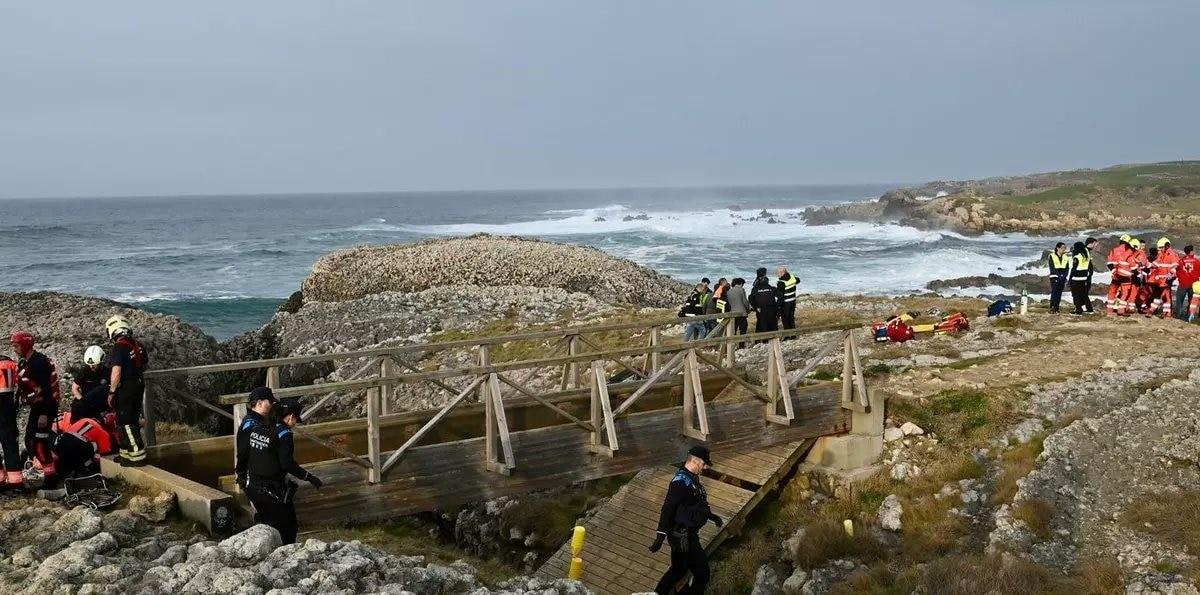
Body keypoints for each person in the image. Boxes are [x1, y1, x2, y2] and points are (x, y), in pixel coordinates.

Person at [239, 395, 322, 545]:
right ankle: (284, 554)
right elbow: (287, 464)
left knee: (265, 524)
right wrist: (309, 477)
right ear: (291, 417)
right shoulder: (285, 434)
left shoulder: (259, 427)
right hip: (272, 492)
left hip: (253, 487)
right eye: (295, 420)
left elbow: (249, 454)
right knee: (288, 528)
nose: (295, 424)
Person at [650, 446, 722, 594]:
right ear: (694, 460)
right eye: (704, 463)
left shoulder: (691, 477)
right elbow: (668, 508)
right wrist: (660, 536)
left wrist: (712, 516)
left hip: (688, 534)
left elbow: (697, 502)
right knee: (699, 572)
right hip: (681, 536)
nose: (706, 467)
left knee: (682, 570)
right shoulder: (680, 483)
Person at [11, 331, 62, 492]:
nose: (14, 349)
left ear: (25, 345)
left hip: (45, 408)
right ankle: (49, 468)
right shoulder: (27, 361)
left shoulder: (38, 363)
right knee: (30, 440)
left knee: (39, 443)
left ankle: (51, 478)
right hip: (38, 407)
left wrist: (44, 414)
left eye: (17, 346)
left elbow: (47, 390)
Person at [38, 414, 118, 500]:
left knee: (63, 469)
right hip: (77, 447)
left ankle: (50, 487)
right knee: (90, 461)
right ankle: (69, 488)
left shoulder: (85, 419)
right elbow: (103, 455)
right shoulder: (103, 433)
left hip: (62, 442)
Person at [105, 315, 150, 466]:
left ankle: (137, 456)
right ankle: (125, 453)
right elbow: (144, 363)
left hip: (126, 388)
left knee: (126, 422)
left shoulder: (119, 347)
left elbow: (116, 372)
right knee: (128, 419)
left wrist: (112, 392)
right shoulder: (137, 344)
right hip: (138, 384)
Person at [70, 345, 112, 421]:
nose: (92, 366)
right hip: (87, 401)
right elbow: (74, 388)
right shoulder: (84, 371)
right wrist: (82, 401)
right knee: (76, 406)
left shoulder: (107, 372)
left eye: (94, 364)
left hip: (101, 403)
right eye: (90, 365)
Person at [0, 355, 23, 492]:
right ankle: (16, 483)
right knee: (11, 447)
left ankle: (1, 480)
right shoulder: (11, 364)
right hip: (8, 412)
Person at [1147, 237, 1180, 318]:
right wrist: (1146, 263)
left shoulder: (1172, 255)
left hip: (1167, 280)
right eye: (1159, 248)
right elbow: (1155, 264)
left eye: (1161, 247)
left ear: (1166, 246)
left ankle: (1152, 310)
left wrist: (1169, 278)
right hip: (1161, 280)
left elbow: (1175, 268)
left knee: (1159, 295)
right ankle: (1167, 312)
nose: (1160, 249)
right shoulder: (1161, 255)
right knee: (1166, 296)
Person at [1105, 235, 1134, 316]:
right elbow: (1133, 265)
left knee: (1112, 292)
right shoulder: (1129, 251)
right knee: (1125, 293)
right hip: (1126, 276)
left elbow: (1109, 263)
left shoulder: (1114, 250)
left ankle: (1109, 310)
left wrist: (1114, 271)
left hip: (1116, 275)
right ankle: (1121, 310)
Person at [750, 268, 778, 335]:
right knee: (771, 323)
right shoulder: (770, 287)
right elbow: (780, 296)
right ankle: (771, 336)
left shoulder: (756, 283)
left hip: (760, 308)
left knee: (761, 323)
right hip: (769, 308)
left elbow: (751, 298)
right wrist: (776, 306)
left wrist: (755, 307)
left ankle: (762, 338)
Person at [1067, 242, 1092, 315]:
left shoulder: (1077, 257)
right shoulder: (1086, 257)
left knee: (1076, 295)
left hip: (1076, 278)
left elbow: (1073, 269)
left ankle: (1078, 309)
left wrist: (1070, 279)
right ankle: (1089, 309)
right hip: (1084, 277)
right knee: (1083, 294)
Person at [1174, 245, 1199, 321]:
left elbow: (1177, 272)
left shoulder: (1181, 261)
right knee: (1191, 301)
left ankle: (1178, 316)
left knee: (1179, 301)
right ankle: (1188, 317)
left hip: (1183, 283)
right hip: (1193, 284)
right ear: (1191, 252)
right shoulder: (1197, 261)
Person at [1048, 242, 1070, 314]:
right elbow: (1052, 267)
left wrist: (1064, 276)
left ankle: (1057, 308)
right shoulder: (1052, 256)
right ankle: (1052, 308)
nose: (1064, 249)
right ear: (1057, 248)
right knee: (1054, 292)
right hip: (1054, 276)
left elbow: (1067, 268)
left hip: (1063, 277)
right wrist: (1059, 275)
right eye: (1062, 248)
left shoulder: (1066, 257)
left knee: (1059, 293)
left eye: (1065, 248)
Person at [1083, 237, 1099, 313]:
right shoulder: (1085, 251)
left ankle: (1088, 308)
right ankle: (1089, 309)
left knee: (1084, 292)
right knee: (1084, 292)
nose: (1096, 246)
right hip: (1084, 276)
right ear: (1092, 243)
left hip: (1087, 275)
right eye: (1095, 244)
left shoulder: (1087, 251)